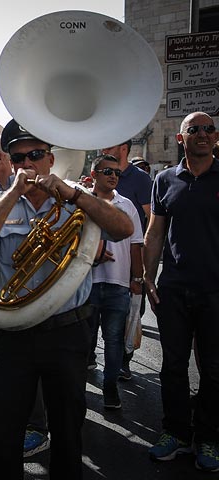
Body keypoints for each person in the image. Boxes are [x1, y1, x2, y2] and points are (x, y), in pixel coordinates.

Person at [0, 119, 133, 479]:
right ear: (10, 163)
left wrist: (73, 195)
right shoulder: (2, 204)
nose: (28, 164)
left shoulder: (76, 198)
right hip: (14, 338)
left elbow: (124, 229)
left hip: (67, 334)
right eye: (19, 158)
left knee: (68, 434)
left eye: (36, 155)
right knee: (5, 433)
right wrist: (13, 193)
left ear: (51, 157)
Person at [144, 112, 219, 472]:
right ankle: (174, 432)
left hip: (216, 292)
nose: (203, 134)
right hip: (173, 291)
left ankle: (209, 438)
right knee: (172, 367)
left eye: (209, 129)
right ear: (180, 138)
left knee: (215, 370)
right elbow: (155, 232)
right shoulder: (163, 180)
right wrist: (148, 277)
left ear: (216, 138)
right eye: (195, 129)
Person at [0, 137, 50, 457]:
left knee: (37, 371)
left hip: (45, 304)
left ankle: (36, 427)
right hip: (9, 298)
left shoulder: (49, 191)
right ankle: (8, 418)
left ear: (2, 160)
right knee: (3, 369)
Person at [86, 155, 143, 410]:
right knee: (82, 342)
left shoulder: (127, 205)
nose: (113, 176)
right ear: (94, 173)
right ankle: (76, 393)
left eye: (117, 173)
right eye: (107, 171)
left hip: (118, 284)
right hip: (85, 284)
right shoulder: (81, 201)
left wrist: (137, 280)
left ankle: (110, 391)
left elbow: (135, 245)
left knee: (113, 341)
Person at [101, 139, 152, 380]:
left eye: (108, 146)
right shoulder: (96, 183)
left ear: (123, 148)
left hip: (127, 265)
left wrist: (140, 272)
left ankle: (123, 363)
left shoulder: (140, 179)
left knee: (126, 320)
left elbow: (152, 219)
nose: (104, 149)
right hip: (95, 274)